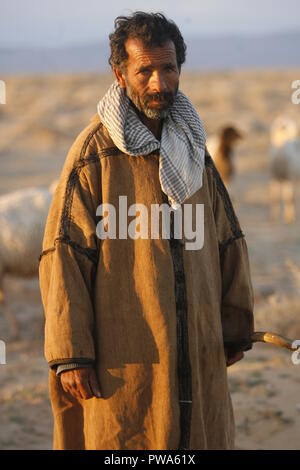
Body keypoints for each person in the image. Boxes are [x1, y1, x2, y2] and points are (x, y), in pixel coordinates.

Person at [39, 11, 254, 450]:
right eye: (145, 71)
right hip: (124, 360)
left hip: (196, 349)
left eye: (169, 68)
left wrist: (234, 323)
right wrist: (72, 353)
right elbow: (64, 255)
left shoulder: (194, 148)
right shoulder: (92, 156)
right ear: (120, 74)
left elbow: (226, 237)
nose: (159, 83)